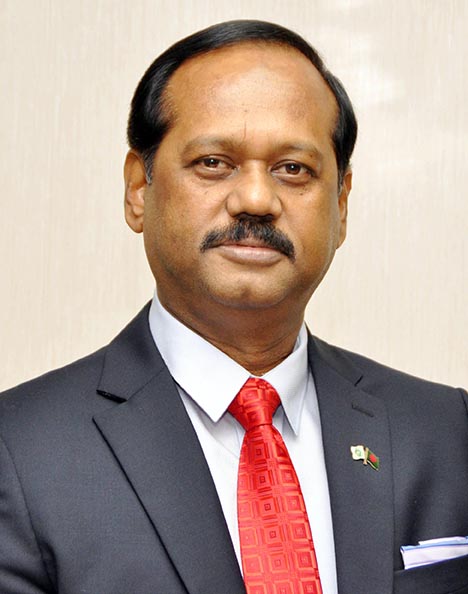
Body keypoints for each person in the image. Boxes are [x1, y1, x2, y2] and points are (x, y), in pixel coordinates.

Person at [0, 19, 467, 594]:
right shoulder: (18, 450)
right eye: (214, 162)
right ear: (139, 189)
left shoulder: (447, 430)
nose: (256, 199)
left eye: (293, 169)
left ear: (341, 205)